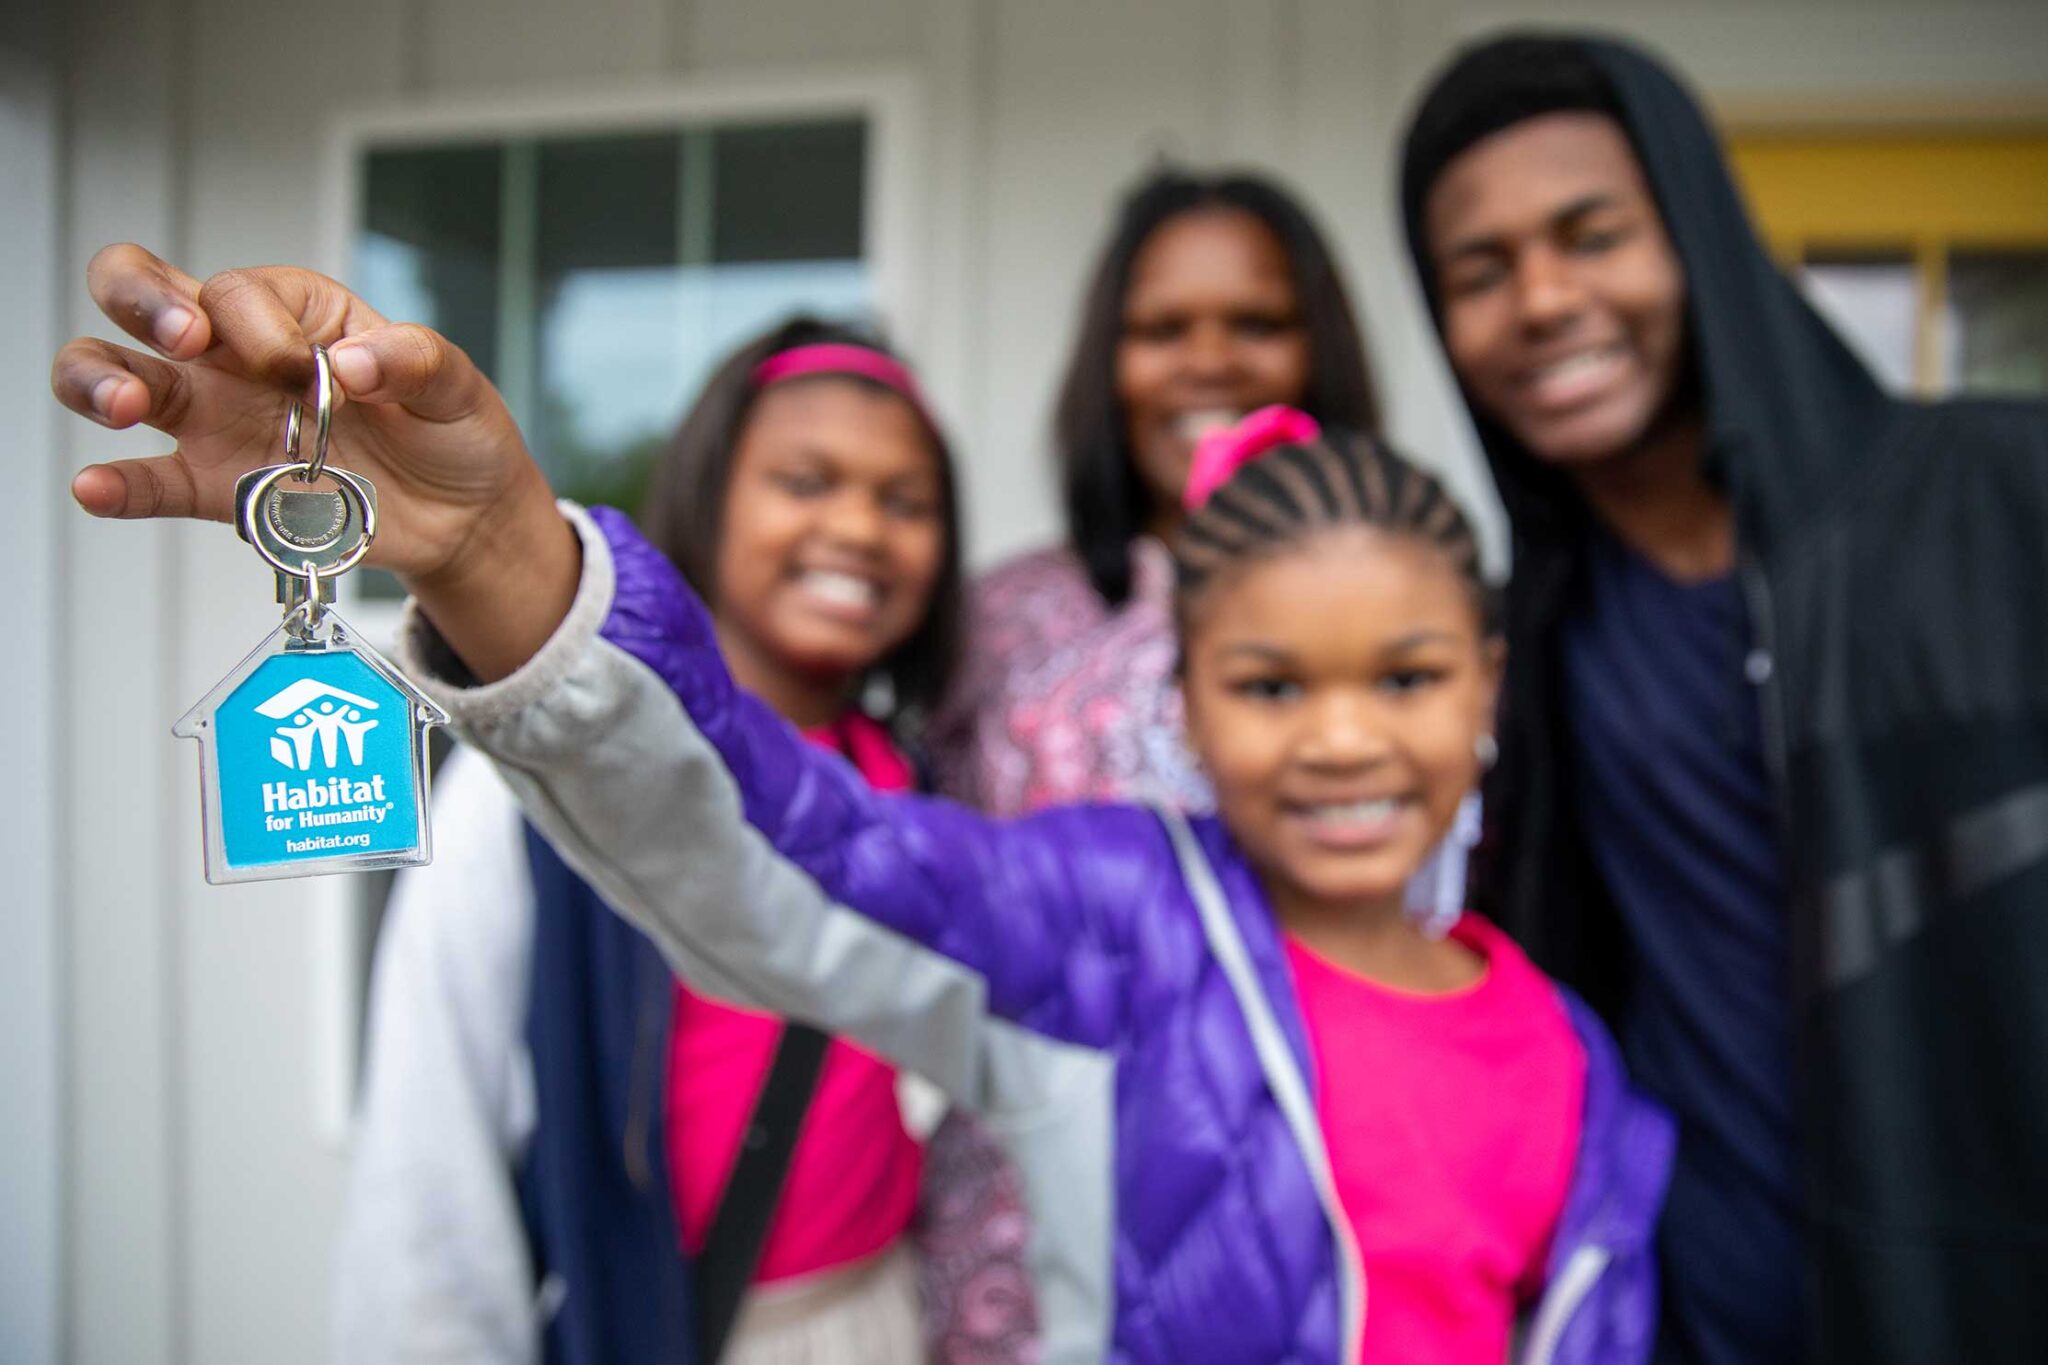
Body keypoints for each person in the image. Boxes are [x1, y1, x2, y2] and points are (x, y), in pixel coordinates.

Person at [53, 270, 1671, 1361]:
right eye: (1265, 685)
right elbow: (779, 850)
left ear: (1490, 687)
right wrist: (493, 562)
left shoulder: (1582, 1071)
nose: (1338, 740)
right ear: (1174, 708)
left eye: (1401, 678)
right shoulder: (1109, 927)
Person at [1398, 31, 2048, 1364]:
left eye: (1594, 234)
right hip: (1687, 1322)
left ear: (1696, 233)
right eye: (1481, 271)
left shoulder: (2000, 501)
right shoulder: (1528, 643)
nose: (1541, 299)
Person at [330, 318, 1032, 1365]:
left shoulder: (917, 779)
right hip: (657, 1327)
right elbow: (430, 1146)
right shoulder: (524, 791)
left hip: (879, 1319)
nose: (858, 528)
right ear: (709, 499)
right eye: (804, 482)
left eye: (905, 502)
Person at [929, 169, 1379, 814]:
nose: (1210, 362)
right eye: (1163, 330)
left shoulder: (1413, 597)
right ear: (1107, 363)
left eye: (1257, 324)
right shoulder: (998, 621)